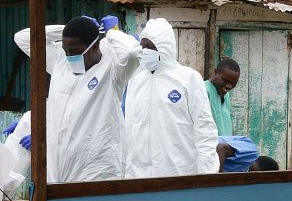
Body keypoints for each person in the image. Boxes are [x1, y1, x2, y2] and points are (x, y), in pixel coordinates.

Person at [14, 16, 140, 182]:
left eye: (74, 52)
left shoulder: (113, 68)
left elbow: (131, 52)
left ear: (95, 46)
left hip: (97, 172)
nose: (69, 56)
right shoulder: (61, 61)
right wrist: (67, 28)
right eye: (66, 50)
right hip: (56, 170)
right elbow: (23, 38)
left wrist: (111, 32)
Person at [123, 18, 219, 178]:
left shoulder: (188, 78)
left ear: (164, 48)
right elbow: (130, 130)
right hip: (140, 177)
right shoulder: (136, 80)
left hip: (179, 174)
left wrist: (207, 175)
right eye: (143, 46)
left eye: (151, 47)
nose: (145, 51)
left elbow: (204, 129)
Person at [204, 59, 241, 136]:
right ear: (216, 72)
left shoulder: (226, 94)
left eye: (234, 83)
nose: (229, 86)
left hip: (224, 145)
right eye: (225, 80)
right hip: (209, 145)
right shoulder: (203, 90)